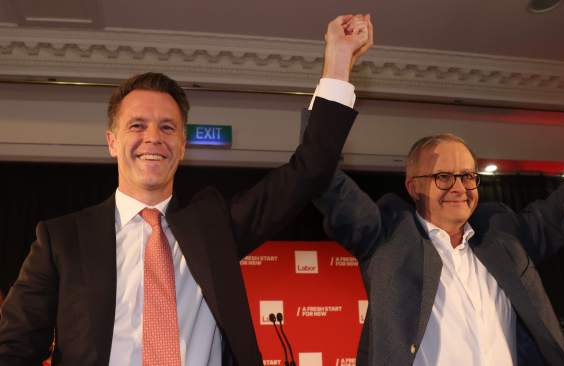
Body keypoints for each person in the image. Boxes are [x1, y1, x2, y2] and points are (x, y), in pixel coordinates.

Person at [0, 14, 372, 366]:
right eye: (137, 126)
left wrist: (338, 61)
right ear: (112, 142)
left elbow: (310, 170)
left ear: (182, 144)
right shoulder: (61, 239)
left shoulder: (213, 226)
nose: (152, 138)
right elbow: (15, 349)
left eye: (167, 127)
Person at [313, 49, 564, 366]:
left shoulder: (504, 236)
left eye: (468, 176)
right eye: (443, 176)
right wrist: (338, 65)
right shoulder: (387, 238)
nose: (459, 187)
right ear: (413, 186)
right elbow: (320, 175)